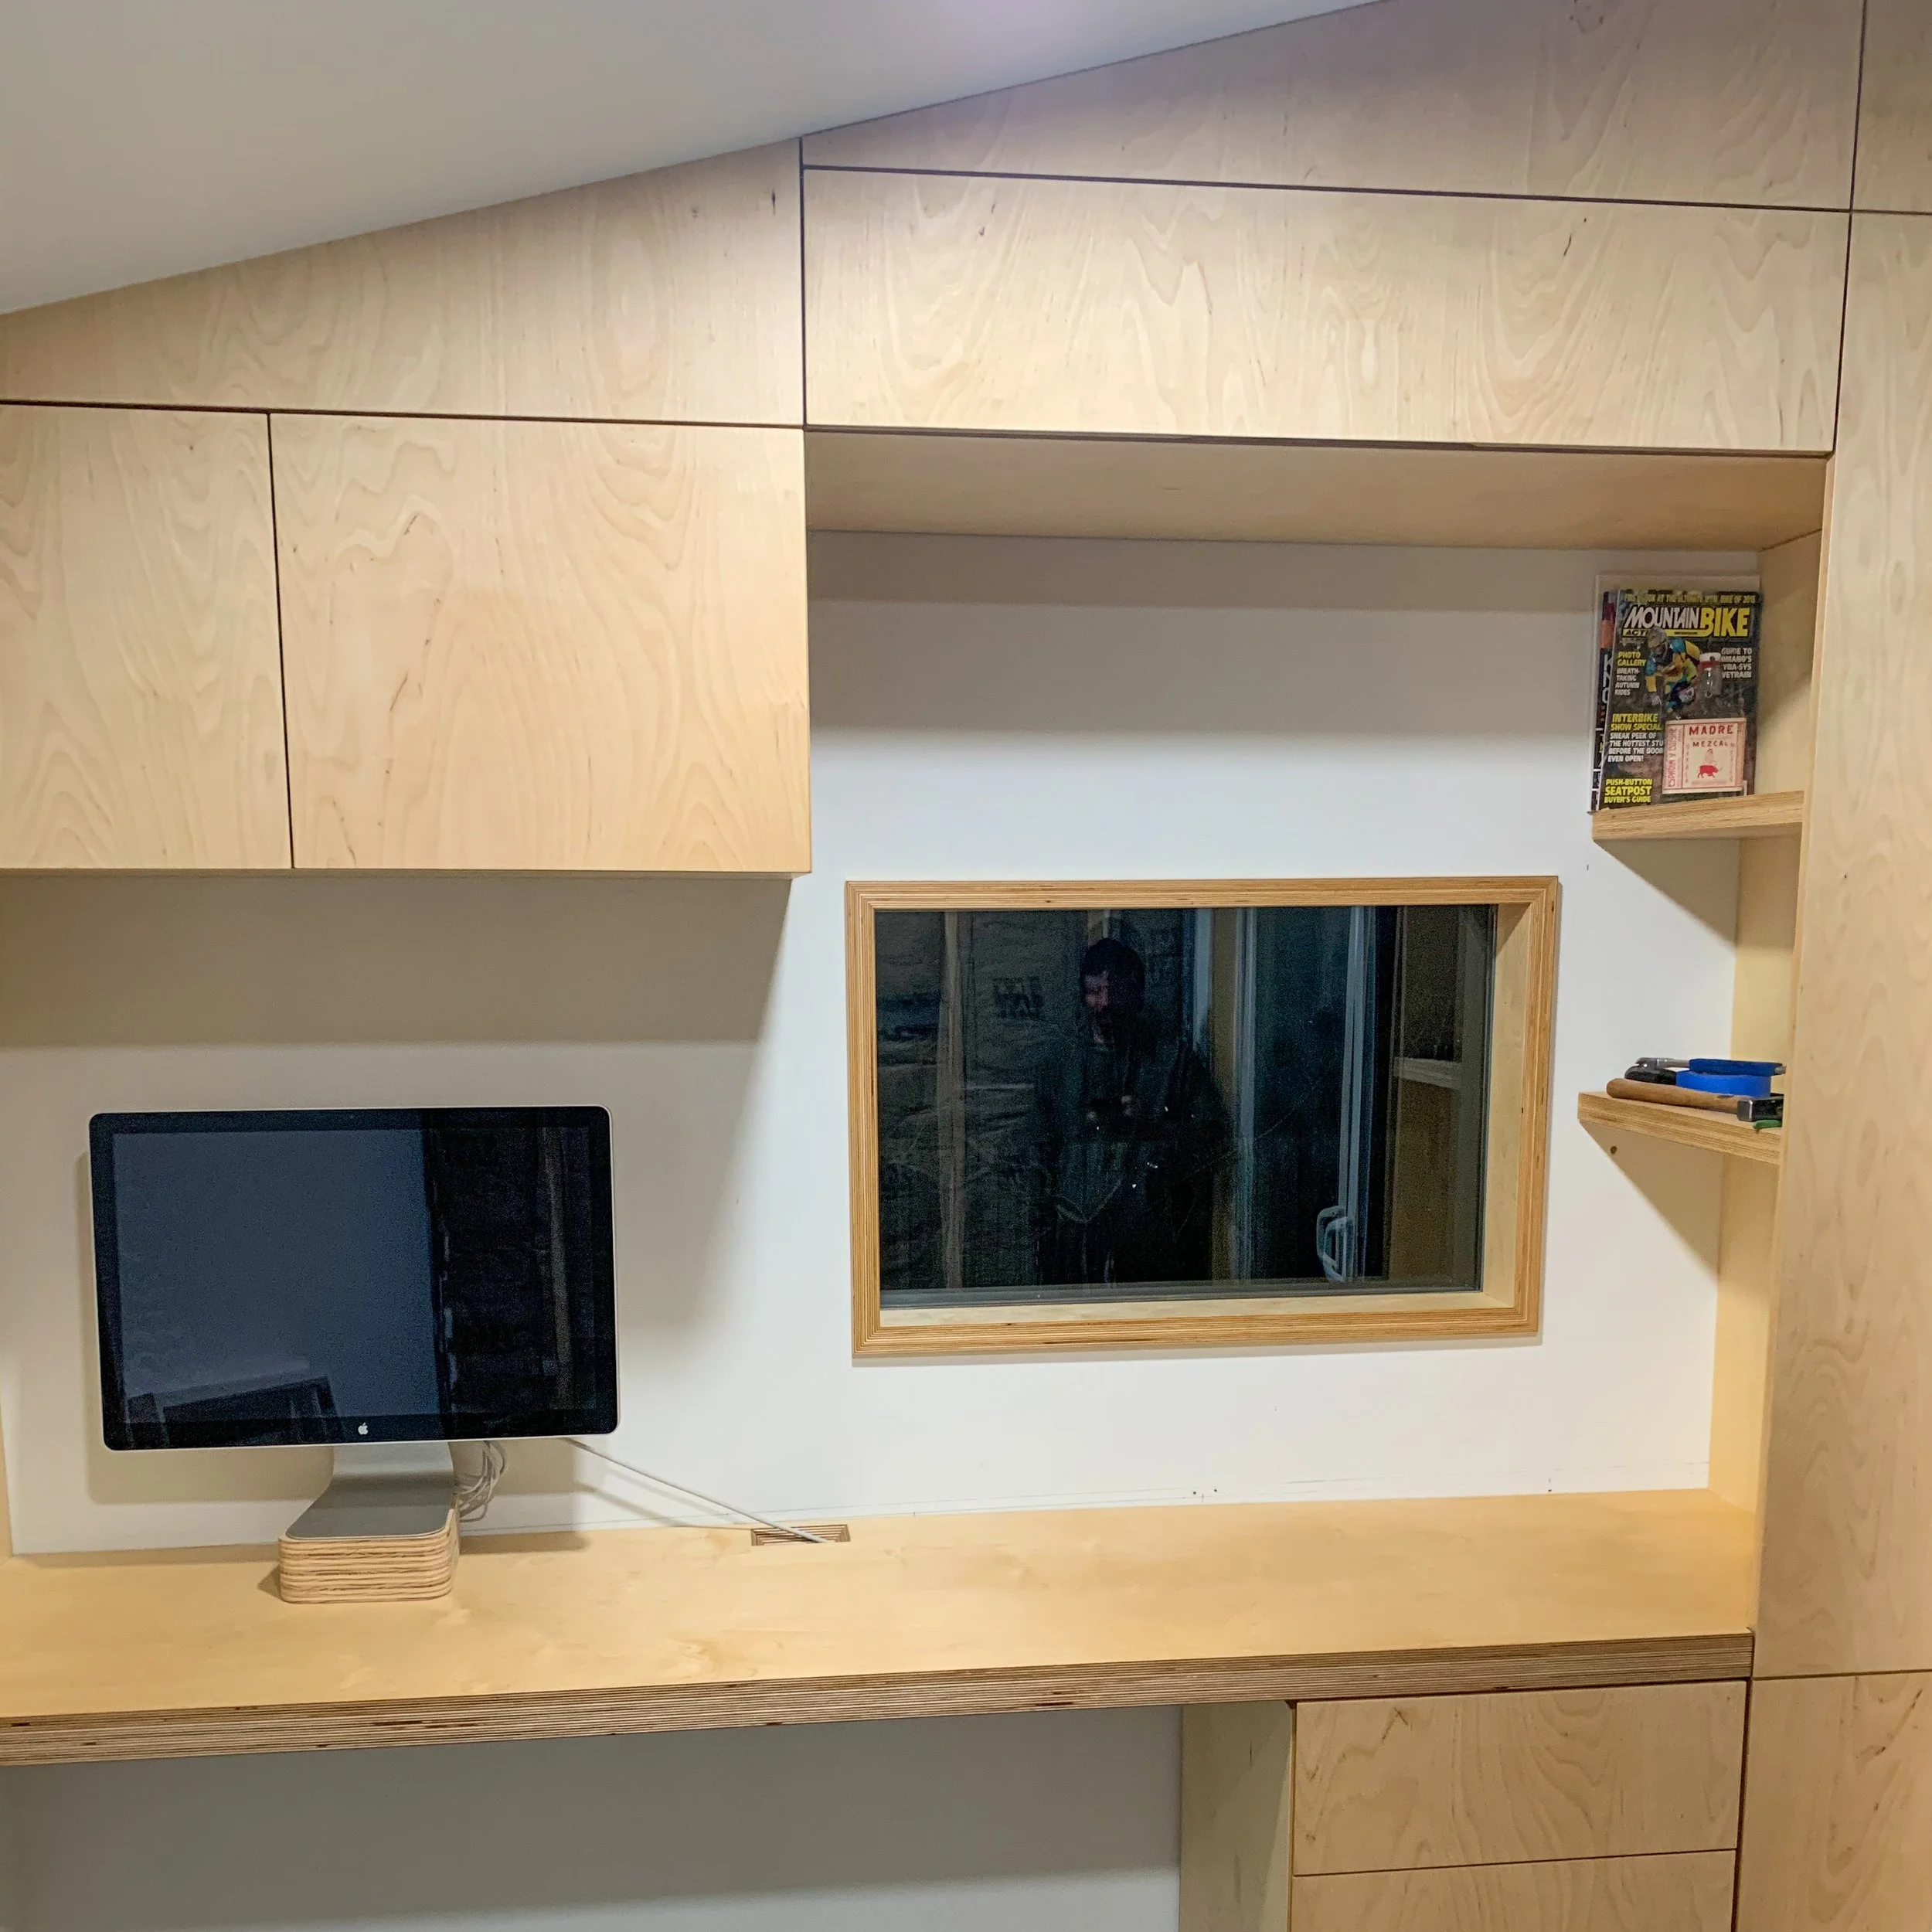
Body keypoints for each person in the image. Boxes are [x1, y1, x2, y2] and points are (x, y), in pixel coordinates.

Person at [1032, 936, 1228, 1287]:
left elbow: (1213, 1136)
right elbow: (1038, 1148)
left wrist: (1152, 1128)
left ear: (1137, 995)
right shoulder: (1059, 1064)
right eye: (1094, 992)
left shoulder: (1171, 1060)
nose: (1104, 1005)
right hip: (1075, 1243)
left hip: (1147, 1246)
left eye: (1115, 993)